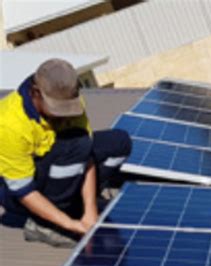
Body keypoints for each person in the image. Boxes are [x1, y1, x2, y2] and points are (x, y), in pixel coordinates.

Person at [0, 58, 132, 247]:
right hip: (16, 191)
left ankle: (76, 204)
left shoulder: (72, 102)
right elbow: (24, 191)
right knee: (72, 146)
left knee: (119, 142)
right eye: (56, 109)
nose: (63, 115)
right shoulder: (8, 125)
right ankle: (43, 224)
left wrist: (90, 210)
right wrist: (71, 225)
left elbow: (87, 156)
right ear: (35, 93)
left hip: (58, 165)